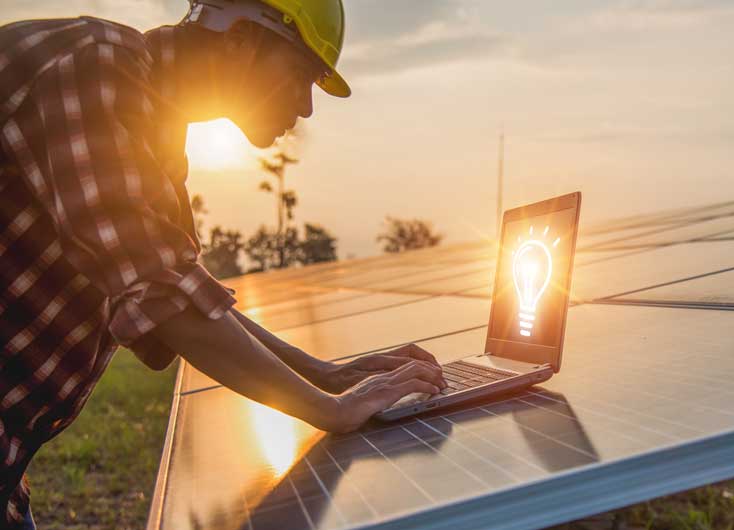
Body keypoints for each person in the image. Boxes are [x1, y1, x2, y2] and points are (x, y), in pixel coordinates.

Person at [0, 1, 447, 527]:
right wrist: (330, 410)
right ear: (240, 39)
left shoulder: (151, 132)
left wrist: (327, 375)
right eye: (303, 73)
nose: (305, 107)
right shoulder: (95, 64)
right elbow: (159, 294)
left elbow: (183, 292)